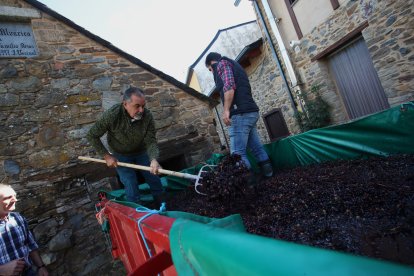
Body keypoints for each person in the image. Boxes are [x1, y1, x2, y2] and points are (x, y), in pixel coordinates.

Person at [87, 86, 164, 205]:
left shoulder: (147, 116)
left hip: (141, 152)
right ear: (125, 104)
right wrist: (106, 156)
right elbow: (92, 135)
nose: (141, 110)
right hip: (120, 154)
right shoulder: (112, 115)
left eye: (143, 106)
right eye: (137, 106)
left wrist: (153, 159)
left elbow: (151, 141)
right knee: (131, 184)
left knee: (154, 179)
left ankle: (163, 208)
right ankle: (137, 216)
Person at [205, 52, 273, 183]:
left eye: (209, 70)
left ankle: (250, 186)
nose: (211, 72)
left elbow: (229, 86)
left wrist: (226, 110)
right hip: (250, 111)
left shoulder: (222, 64)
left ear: (211, 64)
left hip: (239, 114)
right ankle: (269, 176)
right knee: (256, 147)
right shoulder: (236, 66)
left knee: (237, 154)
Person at [0, 184, 49, 276]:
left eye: (14, 196)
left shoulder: (17, 218)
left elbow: (30, 245)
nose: (15, 200)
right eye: (8, 197)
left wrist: (41, 267)